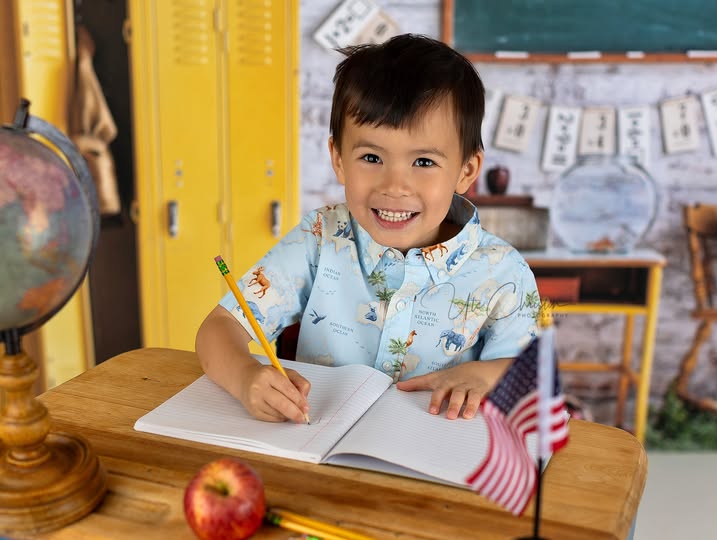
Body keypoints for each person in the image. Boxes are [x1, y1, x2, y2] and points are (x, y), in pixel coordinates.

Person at [195, 34, 539, 425]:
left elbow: (533, 378)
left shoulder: (503, 272)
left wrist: (486, 374)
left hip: (435, 466)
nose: (394, 186)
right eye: (371, 157)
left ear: (466, 171)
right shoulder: (320, 237)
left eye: (424, 162)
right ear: (338, 159)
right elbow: (218, 329)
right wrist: (245, 377)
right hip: (315, 449)